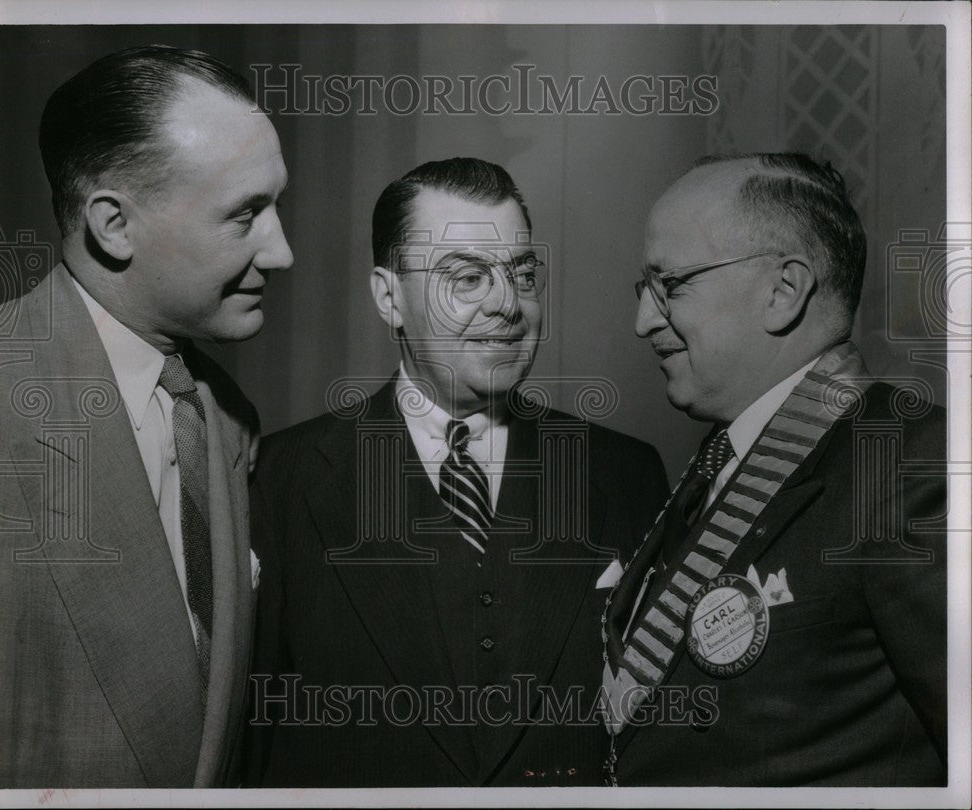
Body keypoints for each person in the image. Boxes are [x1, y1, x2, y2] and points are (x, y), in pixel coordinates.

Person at [247, 157, 668, 787]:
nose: (507, 305)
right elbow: (251, 751)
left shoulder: (624, 474)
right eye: (466, 278)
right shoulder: (280, 481)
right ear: (389, 297)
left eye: (522, 274)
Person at [0, 45, 293, 788]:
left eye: (275, 205)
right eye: (245, 215)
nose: (282, 250)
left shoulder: (226, 419)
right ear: (114, 225)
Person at [603, 153, 946, 786]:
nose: (643, 321)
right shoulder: (719, 463)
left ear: (783, 291)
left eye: (670, 285)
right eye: (642, 290)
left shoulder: (911, 465)